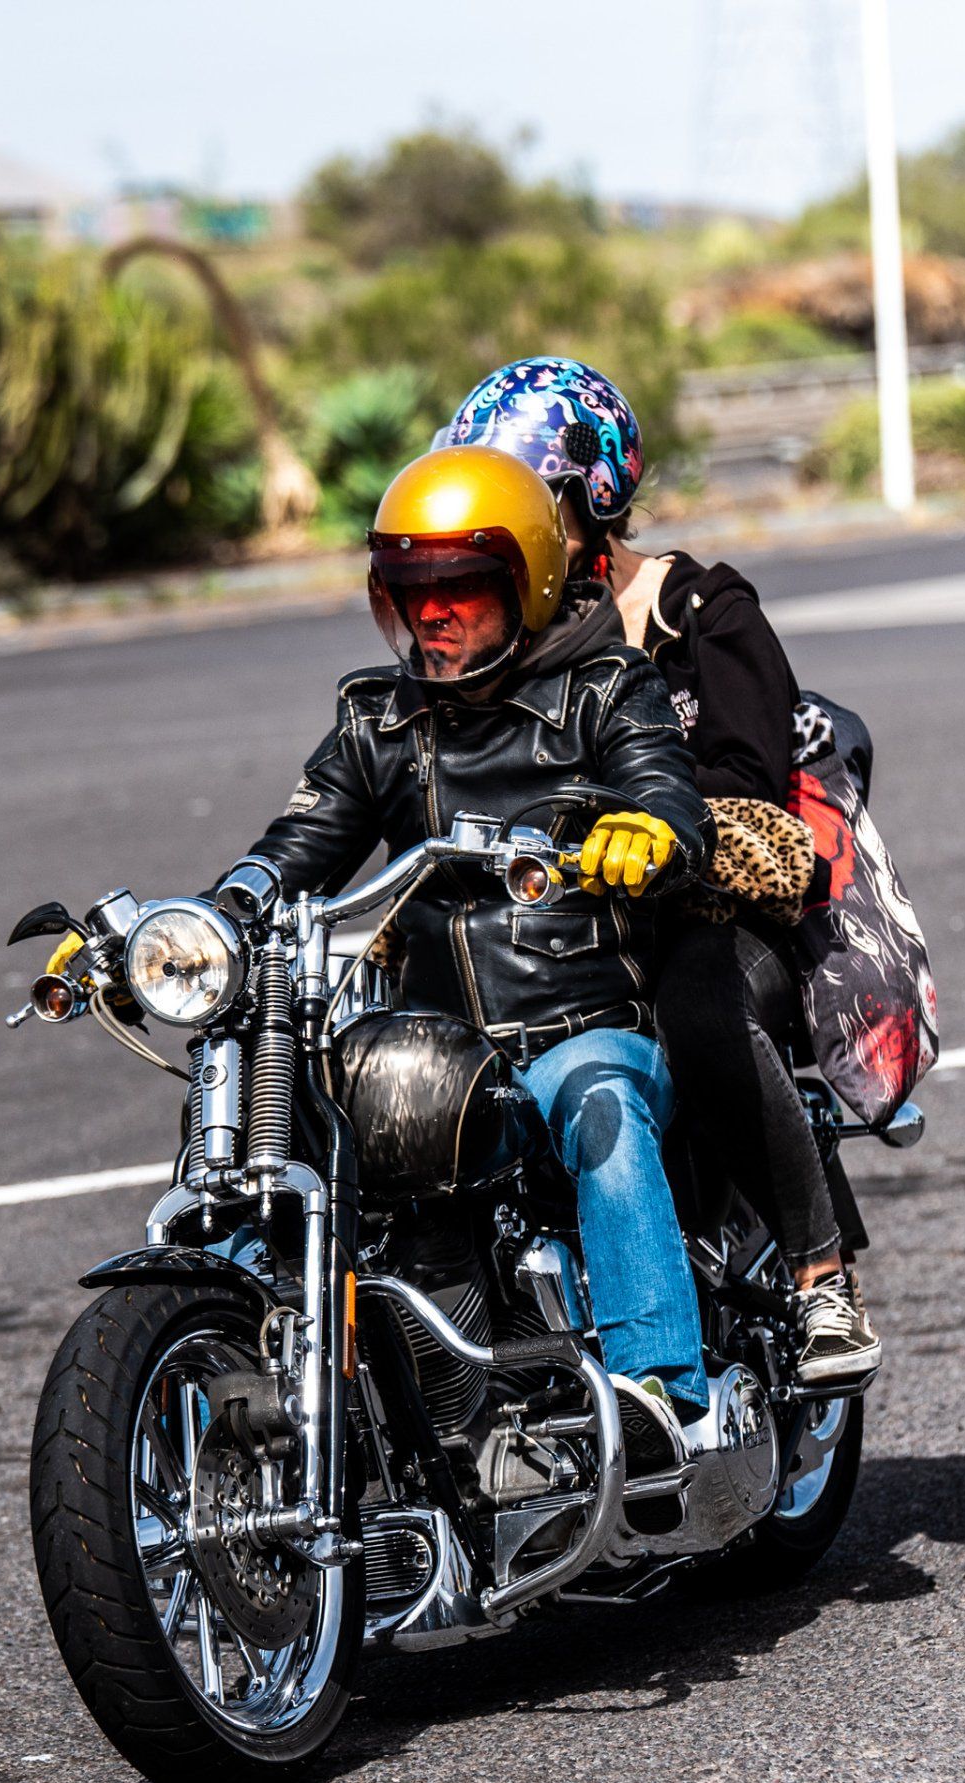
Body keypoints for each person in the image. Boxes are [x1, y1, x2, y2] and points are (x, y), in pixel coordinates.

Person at [244, 443, 716, 1477]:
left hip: (576, 1029)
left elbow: (665, 789)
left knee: (602, 1106)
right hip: (438, 1051)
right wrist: (220, 911)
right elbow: (299, 843)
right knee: (302, 1144)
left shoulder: (604, 690)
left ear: (530, 583)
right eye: (414, 591)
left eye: (461, 586)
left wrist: (646, 833)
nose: (436, 614)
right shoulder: (378, 721)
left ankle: (654, 1393)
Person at [435, 358, 880, 1383]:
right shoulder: (503, 635)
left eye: (524, 501)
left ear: (588, 499)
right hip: (550, 927)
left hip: (716, 915)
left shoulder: (702, 611)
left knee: (695, 998)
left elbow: (745, 783)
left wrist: (645, 833)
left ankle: (822, 1283)